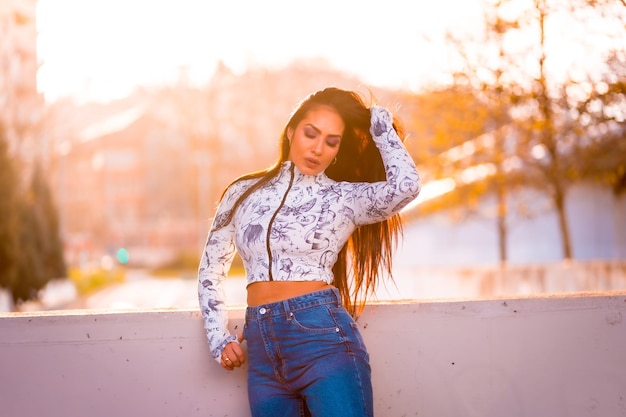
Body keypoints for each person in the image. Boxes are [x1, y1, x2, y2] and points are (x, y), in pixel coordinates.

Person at [198, 87, 421, 417]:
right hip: (262, 351)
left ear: (338, 150)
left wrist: (379, 123)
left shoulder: (344, 198)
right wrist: (218, 337)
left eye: (331, 141)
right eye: (310, 133)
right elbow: (211, 269)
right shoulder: (242, 192)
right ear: (291, 131)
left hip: (323, 341)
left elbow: (407, 186)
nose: (318, 148)